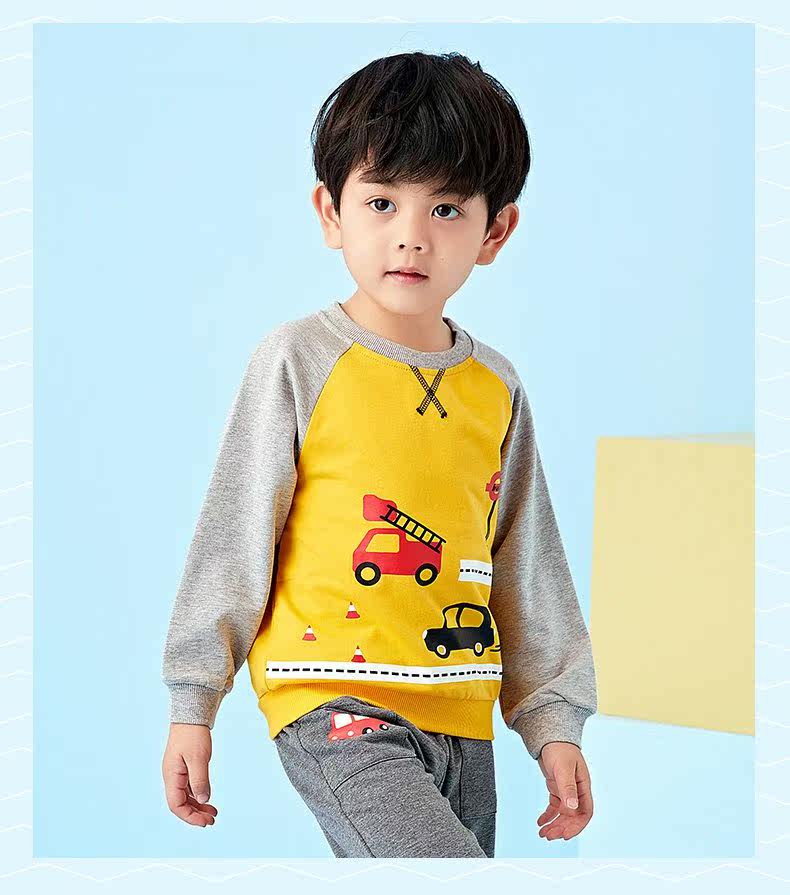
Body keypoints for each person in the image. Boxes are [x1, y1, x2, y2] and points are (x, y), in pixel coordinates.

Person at [160, 50, 598, 858]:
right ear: (331, 213)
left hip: (462, 713)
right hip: (335, 702)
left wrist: (553, 719)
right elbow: (235, 532)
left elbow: (526, 559)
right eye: (382, 201)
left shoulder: (496, 387)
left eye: (446, 208)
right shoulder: (298, 359)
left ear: (495, 231)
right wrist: (195, 699)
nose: (411, 236)